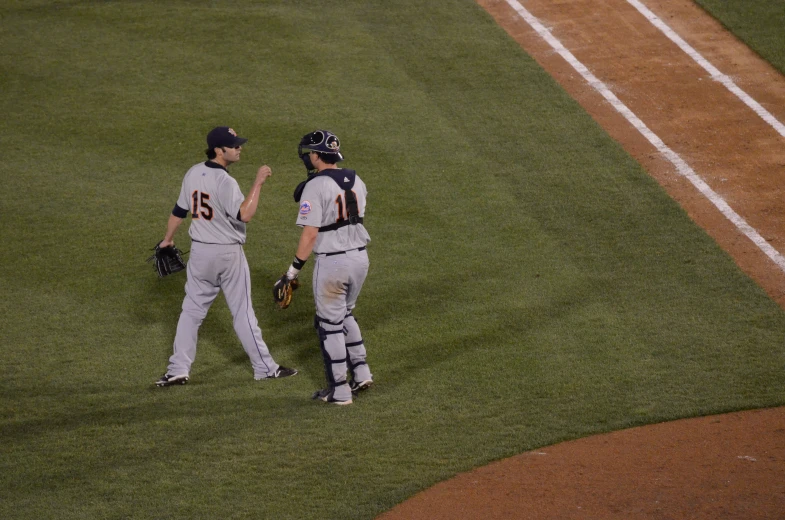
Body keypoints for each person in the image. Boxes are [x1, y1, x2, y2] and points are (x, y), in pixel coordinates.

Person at [155, 126, 298, 387]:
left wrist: (167, 239)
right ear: (219, 151)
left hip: (199, 253)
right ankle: (265, 368)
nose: (239, 148)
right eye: (233, 146)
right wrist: (258, 183)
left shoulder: (193, 172)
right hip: (227, 254)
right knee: (242, 312)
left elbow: (178, 212)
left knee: (191, 311)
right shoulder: (226, 181)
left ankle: (177, 369)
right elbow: (245, 214)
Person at [279, 130, 372, 405]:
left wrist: (292, 271)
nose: (308, 157)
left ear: (317, 155)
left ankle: (340, 391)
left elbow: (310, 235)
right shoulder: (358, 180)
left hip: (333, 262)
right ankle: (362, 372)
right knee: (346, 314)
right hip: (360, 259)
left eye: (310, 153)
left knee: (328, 325)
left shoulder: (316, 186)